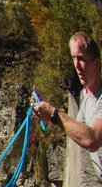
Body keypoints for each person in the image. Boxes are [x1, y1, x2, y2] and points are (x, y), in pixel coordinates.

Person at [33, 31, 102, 175]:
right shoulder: (86, 95)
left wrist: (53, 113)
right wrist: (48, 110)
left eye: (81, 58)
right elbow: (77, 131)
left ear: (96, 63)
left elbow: (92, 140)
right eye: (73, 58)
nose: (76, 65)